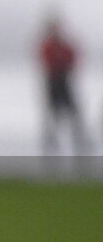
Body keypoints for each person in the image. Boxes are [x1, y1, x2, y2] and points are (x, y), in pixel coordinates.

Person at [38, 14, 89, 155]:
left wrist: (66, 66)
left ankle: (79, 140)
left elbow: (73, 56)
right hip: (53, 81)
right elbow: (45, 60)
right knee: (53, 113)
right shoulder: (48, 46)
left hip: (64, 79)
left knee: (73, 112)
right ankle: (51, 142)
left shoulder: (64, 45)